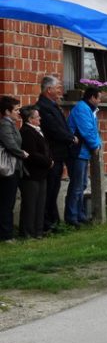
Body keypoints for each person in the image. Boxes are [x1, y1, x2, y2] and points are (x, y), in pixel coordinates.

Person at [36, 75, 78, 233]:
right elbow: (54, 130)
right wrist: (70, 138)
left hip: (60, 154)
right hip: (53, 154)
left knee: (54, 188)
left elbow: (61, 126)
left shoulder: (52, 105)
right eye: (57, 88)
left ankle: (52, 220)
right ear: (49, 90)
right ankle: (47, 223)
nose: (60, 90)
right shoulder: (43, 107)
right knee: (50, 189)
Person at [65, 87, 102, 227]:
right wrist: (95, 145)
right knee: (77, 185)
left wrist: (96, 144)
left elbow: (94, 130)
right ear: (92, 98)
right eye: (98, 98)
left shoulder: (89, 109)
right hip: (77, 152)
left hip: (83, 152)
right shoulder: (82, 109)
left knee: (82, 184)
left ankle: (80, 214)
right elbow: (87, 131)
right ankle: (72, 216)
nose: (99, 101)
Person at [18, 106, 53, 239]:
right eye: (37, 117)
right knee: (30, 204)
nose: (40, 118)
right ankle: (27, 232)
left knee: (40, 203)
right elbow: (32, 153)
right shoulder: (27, 132)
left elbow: (46, 148)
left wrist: (50, 159)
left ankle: (38, 231)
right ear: (30, 119)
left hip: (41, 173)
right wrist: (48, 161)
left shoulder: (37, 130)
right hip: (31, 174)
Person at [0, 96, 28, 242]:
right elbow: (10, 145)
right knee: (7, 203)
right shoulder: (5, 124)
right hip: (8, 169)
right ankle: (6, 235)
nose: (19, 112)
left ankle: (7, 233)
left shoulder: (10, 124)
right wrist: (22, 153)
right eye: (16, 110)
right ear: (7, 111)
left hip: (14, 167)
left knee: (9, 202)